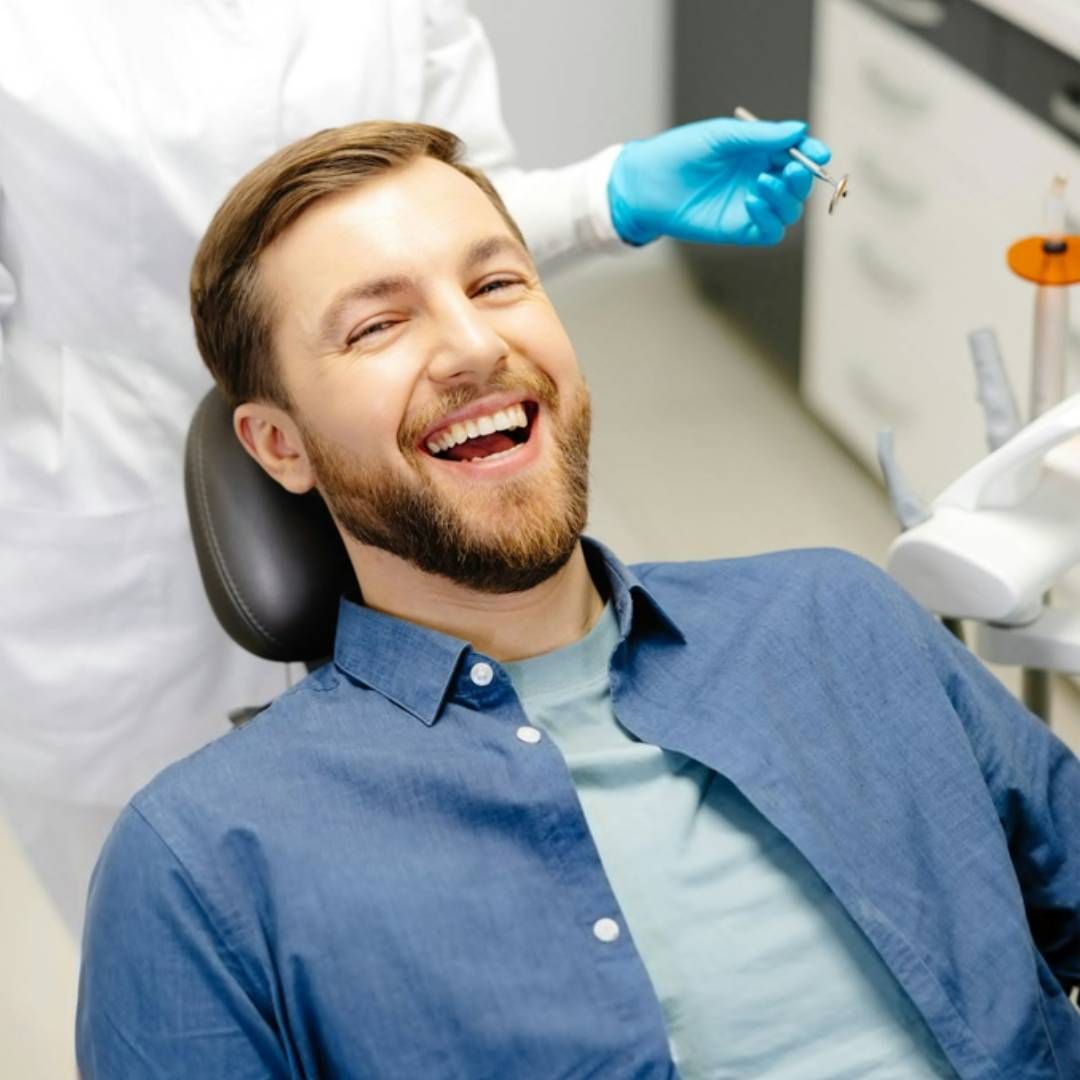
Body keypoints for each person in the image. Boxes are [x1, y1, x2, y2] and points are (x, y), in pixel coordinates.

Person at [76, 120, 1079, 1078]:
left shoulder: (837, 616)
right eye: (378, 324)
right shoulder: (202, 864)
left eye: (499, 282)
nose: (473, 347)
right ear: (279, 446)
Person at [0, 0, 828, 936]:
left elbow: (447, 217)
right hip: (112, 557)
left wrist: (614, 194)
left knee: (473, 901)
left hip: (417, 525)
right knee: (179, 922)